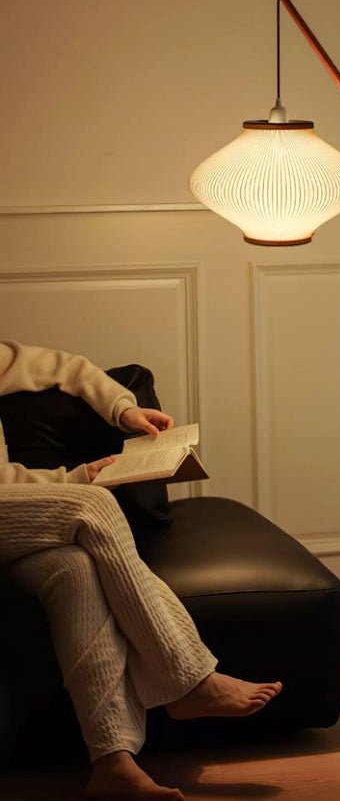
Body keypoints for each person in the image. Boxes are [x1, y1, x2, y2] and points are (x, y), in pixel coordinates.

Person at [0, 340, 282, 801]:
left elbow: (66, 368)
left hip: (13, 517)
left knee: (75, 569)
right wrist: (75, 482)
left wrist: (124, 410)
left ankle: (113, 764)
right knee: (93, 504)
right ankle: (188, 678)